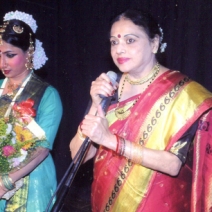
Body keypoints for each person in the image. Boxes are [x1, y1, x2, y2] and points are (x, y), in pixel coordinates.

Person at [70, 9, 212, 212]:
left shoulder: (181, 94)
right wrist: (95, 104)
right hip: (106, 201)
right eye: (114, 42)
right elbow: (78, 157)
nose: (119, 50)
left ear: (154, 43)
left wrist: (111, 141)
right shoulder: (109, 88)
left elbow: (173, 165)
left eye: (130, 41)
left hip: (158, 203)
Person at [0, 11, 62, 211]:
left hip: (31, 181)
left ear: (29, 54)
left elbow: (42, 149)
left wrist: (5, 183)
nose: (2, 63)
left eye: (10, 55)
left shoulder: (47, 94)